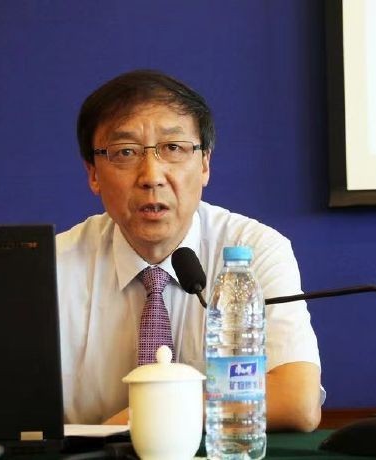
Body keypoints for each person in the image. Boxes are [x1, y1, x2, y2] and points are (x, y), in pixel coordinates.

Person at [56, 69, 322, 432]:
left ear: (205, 164)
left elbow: (297, 401)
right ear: (93, 174)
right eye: (125, 152)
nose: (152, 176)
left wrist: (148, 416)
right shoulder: (52, 268)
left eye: (173, 149)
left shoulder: (253, 252)